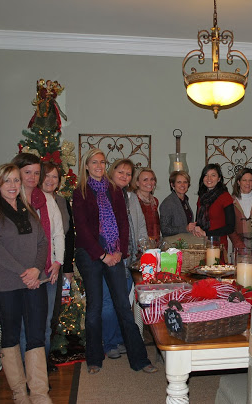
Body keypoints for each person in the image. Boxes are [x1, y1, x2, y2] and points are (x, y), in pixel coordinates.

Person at [73, 148, 156, 374]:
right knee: (95, 307)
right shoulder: (80, 191)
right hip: (90, 254)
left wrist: (118, 252)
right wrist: (103, 255)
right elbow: (82, 230)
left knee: (123, 306)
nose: (99, 166)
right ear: (87, 166)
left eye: (102, 162)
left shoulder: (115, 191)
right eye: (94, 162)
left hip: (115, 252)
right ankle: (94, 359)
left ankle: (140, 360)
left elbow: (122, 224)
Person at [0, 164, 52, 404]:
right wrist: (25, 272)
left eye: (15, 181)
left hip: (35, 282)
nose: (13, 185)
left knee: (36, 336)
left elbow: (43, 242)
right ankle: (20, 394)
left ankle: (40, 394)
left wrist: (36, 270)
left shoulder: (28, 210)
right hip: (7, 284)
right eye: (7, 181)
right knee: (10, 336)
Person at [12, 153, 64, 370]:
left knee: (45, 321)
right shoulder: (11, 199)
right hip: (22, 273)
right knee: (26, 325)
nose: (33, 177)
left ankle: (41, 367)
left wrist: (58, 262)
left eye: (36, 173)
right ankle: (26, 368)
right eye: (28, 173)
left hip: (48, 269)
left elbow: (58, 233)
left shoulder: (47, 200)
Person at [102, 158, 148, 359]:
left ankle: (120, 339)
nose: (124, 176)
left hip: (129, 258)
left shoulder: (131, 197)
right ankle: (109, 342)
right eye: (120, 172)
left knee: (124, 301)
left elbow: (140, 227)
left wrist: (144, 247)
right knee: (109, 302)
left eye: (128, 174)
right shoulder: (104, 195)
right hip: (109, 258)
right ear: (112, 172)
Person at [40, 161, 75, 372]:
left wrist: (68, 267)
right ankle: (38, 363)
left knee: (53, 315)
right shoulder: (33, 201)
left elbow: (68, 236)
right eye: (47, 176)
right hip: (41, 265)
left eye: (55, 177)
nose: (51, 180)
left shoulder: (62, 202)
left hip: (59, 264)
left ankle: (46, 357)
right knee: (41, 317)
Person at [192, 164, 235, 250]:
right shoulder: (201, 197)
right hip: (202, 244)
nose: (209, 178)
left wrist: (206, 233)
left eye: (213, 175)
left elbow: (230, 227)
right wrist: (195, 228)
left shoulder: (225, 197)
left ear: (219, 179)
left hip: (218, 244)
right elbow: (198, 221)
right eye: (206, 175)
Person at [160, 171, 196, 237]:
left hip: (185, 241)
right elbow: (164, 229)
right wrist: (185, 228)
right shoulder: (168, 203)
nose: (182, 185)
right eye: (179, 182)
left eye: (185, 182)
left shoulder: (185, 200)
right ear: (172, 185)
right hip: (173, 244)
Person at [229, 167, 252, 249]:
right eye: (244, 180)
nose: (247, 183)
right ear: (238, 182)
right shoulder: (231, 201)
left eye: (250, 180)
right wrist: (238, 244)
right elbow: (229, 226)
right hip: (239, 246)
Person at [132, 167, 160, 240]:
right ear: (137, 182)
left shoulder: (155, 201)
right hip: (139, 243)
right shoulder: (133, 201)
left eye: (152, 179)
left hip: (154, 243)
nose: (149, 183)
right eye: (145, 180)